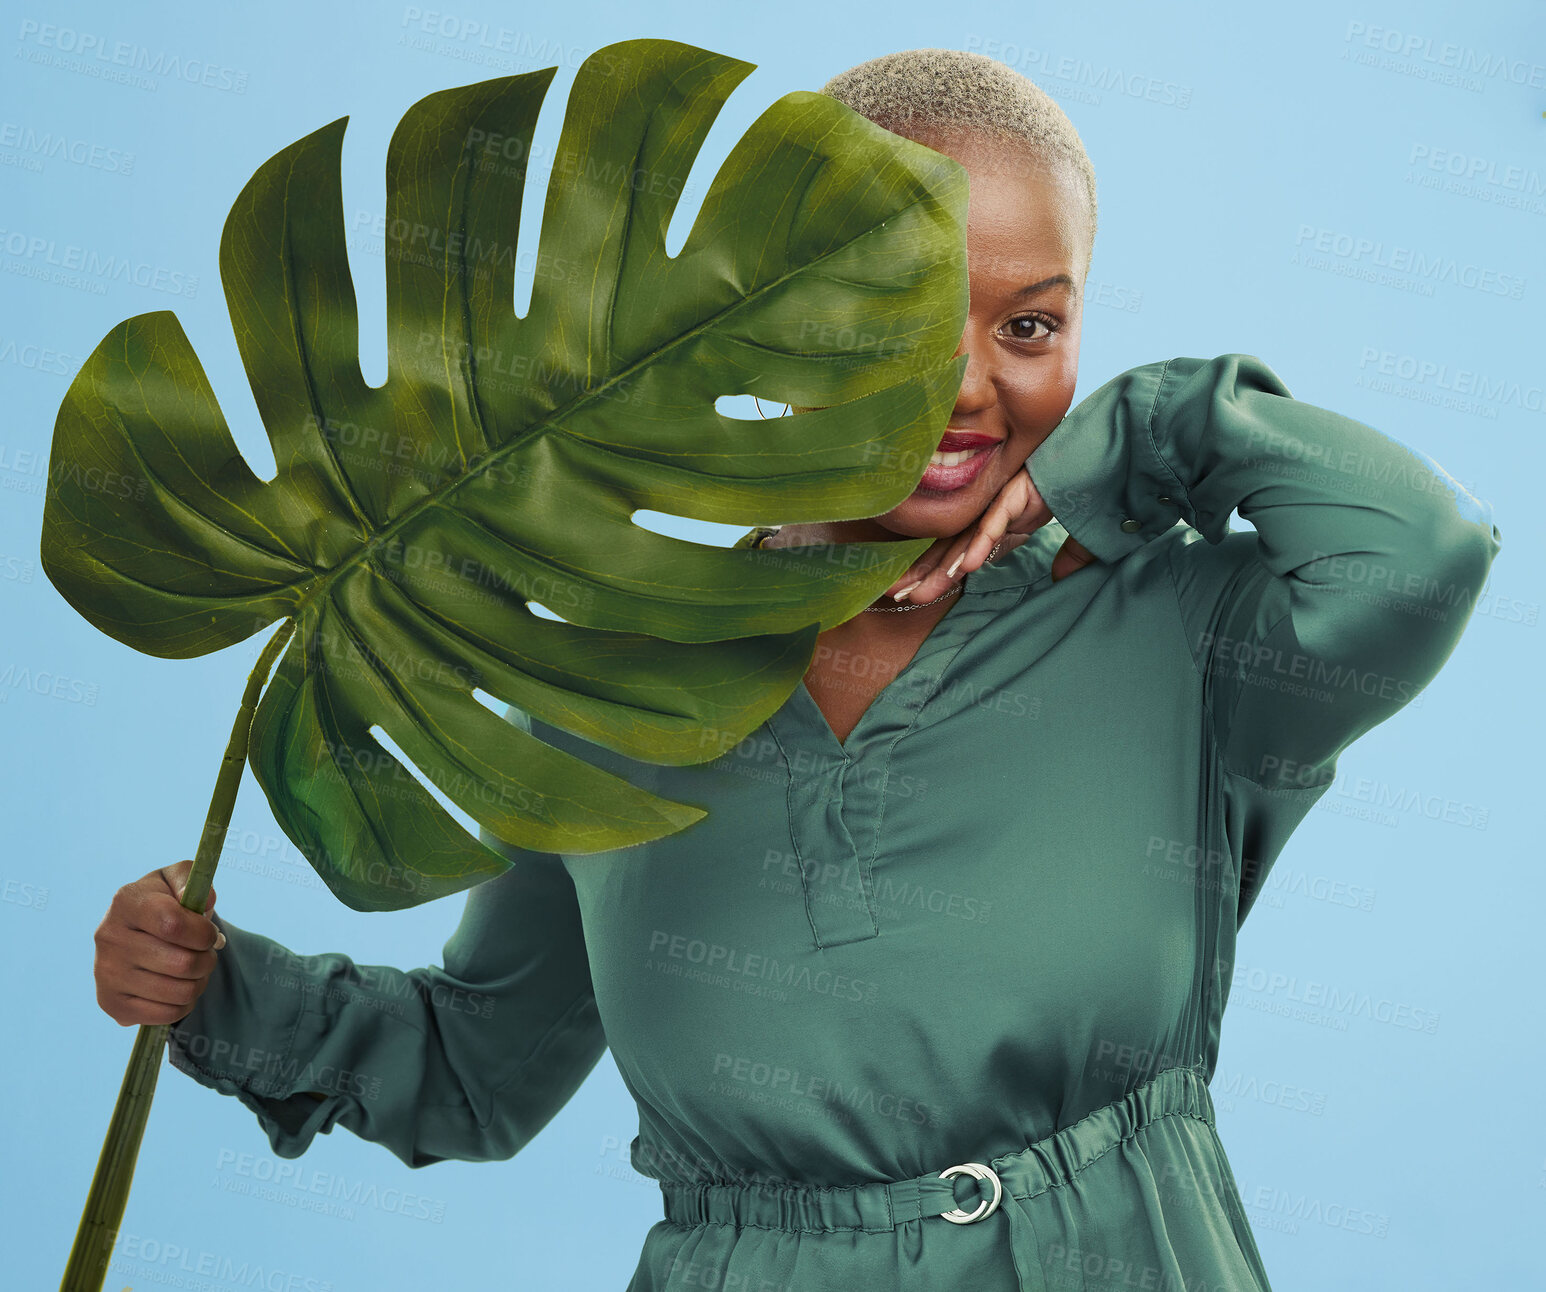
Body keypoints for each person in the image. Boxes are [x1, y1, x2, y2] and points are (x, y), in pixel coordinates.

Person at [93, 47, 1503, 1292]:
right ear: (766, 317)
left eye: (1031, 325)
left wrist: (1155, 432)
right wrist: (213, 985)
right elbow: (481, 1071)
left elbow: (1419, 551)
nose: (967, 383)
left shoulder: (1179, 629)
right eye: (896, 307)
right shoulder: (609, 671)